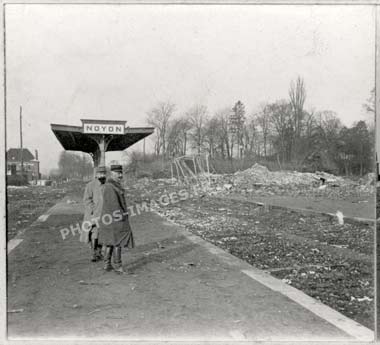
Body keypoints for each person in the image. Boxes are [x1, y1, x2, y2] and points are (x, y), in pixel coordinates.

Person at [98, 164, 134, 273]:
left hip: (110, 219)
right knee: (118, 240)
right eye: (118, 173)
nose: (120, 175)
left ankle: (107, 265)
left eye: (121, 173)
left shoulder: (112, 185)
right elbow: (114, 206)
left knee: (110, 241)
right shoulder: (110, 186)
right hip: (114, 219)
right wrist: (122, 216)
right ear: (112, 174)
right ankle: (118, 266)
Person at [80, 165, 107, 262]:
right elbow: (86, 200)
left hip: (104, 214)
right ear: (96, 174)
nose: (102, 175)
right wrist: (93, 209)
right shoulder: (90, 185)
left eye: (103, 173)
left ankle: (99, 253)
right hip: (93, 215)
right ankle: (93, 253)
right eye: (100, 173)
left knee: (101, 234)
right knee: (94, 234)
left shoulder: (107, 185)